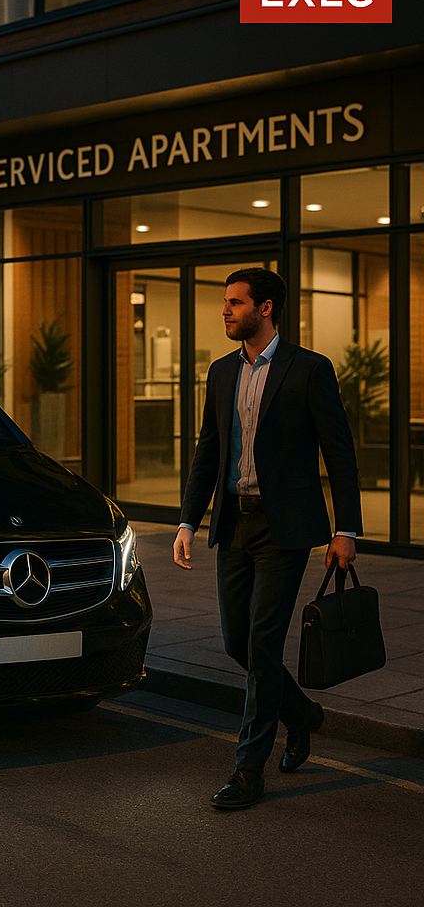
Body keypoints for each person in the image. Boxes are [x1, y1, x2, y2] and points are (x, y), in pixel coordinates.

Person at [173, 267, 361, 810]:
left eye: (235, 303)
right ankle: (303, 716)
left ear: (267, 308)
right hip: (233, 522)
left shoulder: (309, 370)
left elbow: (339, 453)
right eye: (225, 303)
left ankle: (247, 772)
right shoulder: (220, 372)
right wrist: (188, 520)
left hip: (287, 528)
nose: (226, 311)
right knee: (238, 642)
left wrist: (345, 528)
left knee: (261, 645)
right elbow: (209, 449)